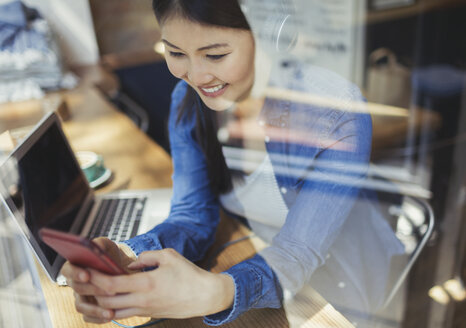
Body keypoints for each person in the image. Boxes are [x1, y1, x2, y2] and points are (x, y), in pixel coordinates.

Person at [62, 0, 404, 326]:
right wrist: (128, 256)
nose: (196, 76)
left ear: (272, 35)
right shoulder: (187, 100)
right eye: (176, 52)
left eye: (215, 54)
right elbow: (192, 216)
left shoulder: (336, 111)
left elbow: (297, 254)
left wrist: (216, 291)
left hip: (336, 291)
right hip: (257, 257)